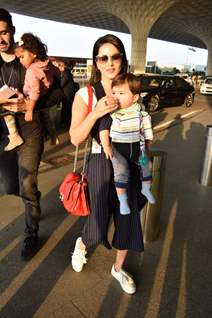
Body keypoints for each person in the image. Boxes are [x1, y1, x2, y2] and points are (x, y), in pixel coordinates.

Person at [70, 34, 146, 295]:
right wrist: (97, 112)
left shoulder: (131, 90)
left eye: (115, 56)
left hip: (130, 162)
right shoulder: (86, 94)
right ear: (96, 62)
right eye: (103, 57)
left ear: (123, 59)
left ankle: (118, 268)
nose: (110, 62)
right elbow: (75, 137)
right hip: (100, 162)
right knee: (99, 221)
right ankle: (83, 244)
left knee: (127, 220)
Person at [0, 8, 43, 260]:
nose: (0, 38)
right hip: (3, 132)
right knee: (10, 186)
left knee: (27, 184)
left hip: (30, 129)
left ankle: (31, 233)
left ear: (12, 32)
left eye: (4, 32)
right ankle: (33, 200)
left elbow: (63, 90)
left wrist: (31, 105)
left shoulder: (28, 57)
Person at [99, 73, 155, 216]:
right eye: (114, 92)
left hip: (138, 148)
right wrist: (106, 146)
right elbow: (103, 129)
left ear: (135, 97)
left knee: (147, 166)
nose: (116, 96)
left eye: (121, 93)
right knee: (121, 172)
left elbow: (146, 126)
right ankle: (122, 200)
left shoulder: (140, 111)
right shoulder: (113, 112)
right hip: (118, 150)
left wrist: (148, 141)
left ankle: (146, 189)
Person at [14, 33, 60, 145]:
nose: (21, 61)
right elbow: (57, 73)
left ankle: (13, 136)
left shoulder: (31, 71)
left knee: (9, 112)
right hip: (44, 96)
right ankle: (54, 136)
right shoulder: (47, 64)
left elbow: (35, 91)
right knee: (46, 117)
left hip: (32, 98)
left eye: (22, 57)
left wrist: (29, 110)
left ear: (33, 53)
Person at [56, 60, 76, 127]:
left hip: (67, 95)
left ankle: (65, 122)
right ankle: (66, 122)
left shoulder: (65, 73)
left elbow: (62, 84)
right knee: (67, 108)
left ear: (63, 66)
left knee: (66, 108)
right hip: (69, 94)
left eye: (59, 65)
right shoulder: (67, 73)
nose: (58, 67)